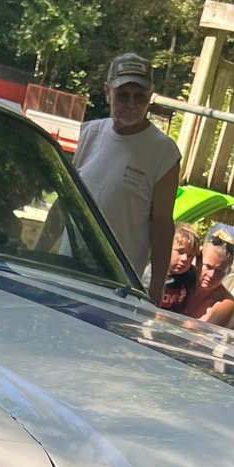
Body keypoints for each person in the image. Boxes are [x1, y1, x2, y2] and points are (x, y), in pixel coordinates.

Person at [73, 52, 180, 305]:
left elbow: (163, 227)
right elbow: (67, 200)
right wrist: (42, 252)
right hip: (70, 268)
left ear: (149, 98)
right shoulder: (90, 132)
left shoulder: (163, 152)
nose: (131, 103)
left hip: (116, 284)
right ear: (108, 92)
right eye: (123, 95)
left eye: (139, 96)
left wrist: (153, 296)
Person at [182, 231, 234, 328]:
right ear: (198, 261)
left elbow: (202, 340)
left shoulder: (226, 304)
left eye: (220, 271)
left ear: (228, 271)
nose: (212, 275)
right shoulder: (180, 284)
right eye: (208, 267)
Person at [159, 223, 200, 311]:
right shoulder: (152, 275)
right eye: (180, 252)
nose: (185, 259)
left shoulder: (191, 275)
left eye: (190, 256)